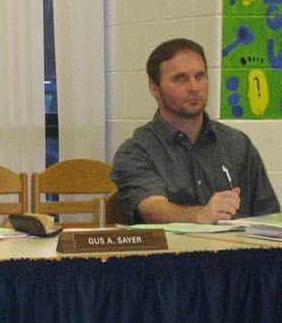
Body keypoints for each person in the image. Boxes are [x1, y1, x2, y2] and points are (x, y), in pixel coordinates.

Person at [111, 38, 279, 224]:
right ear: (154, 88)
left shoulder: (238, 144)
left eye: (200, 76)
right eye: (180, 79)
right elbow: (152, 209)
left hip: (238, 251)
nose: (194, 87)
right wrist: (199, 215)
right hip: (172, 252)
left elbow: (270, 217)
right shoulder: (136, 151)